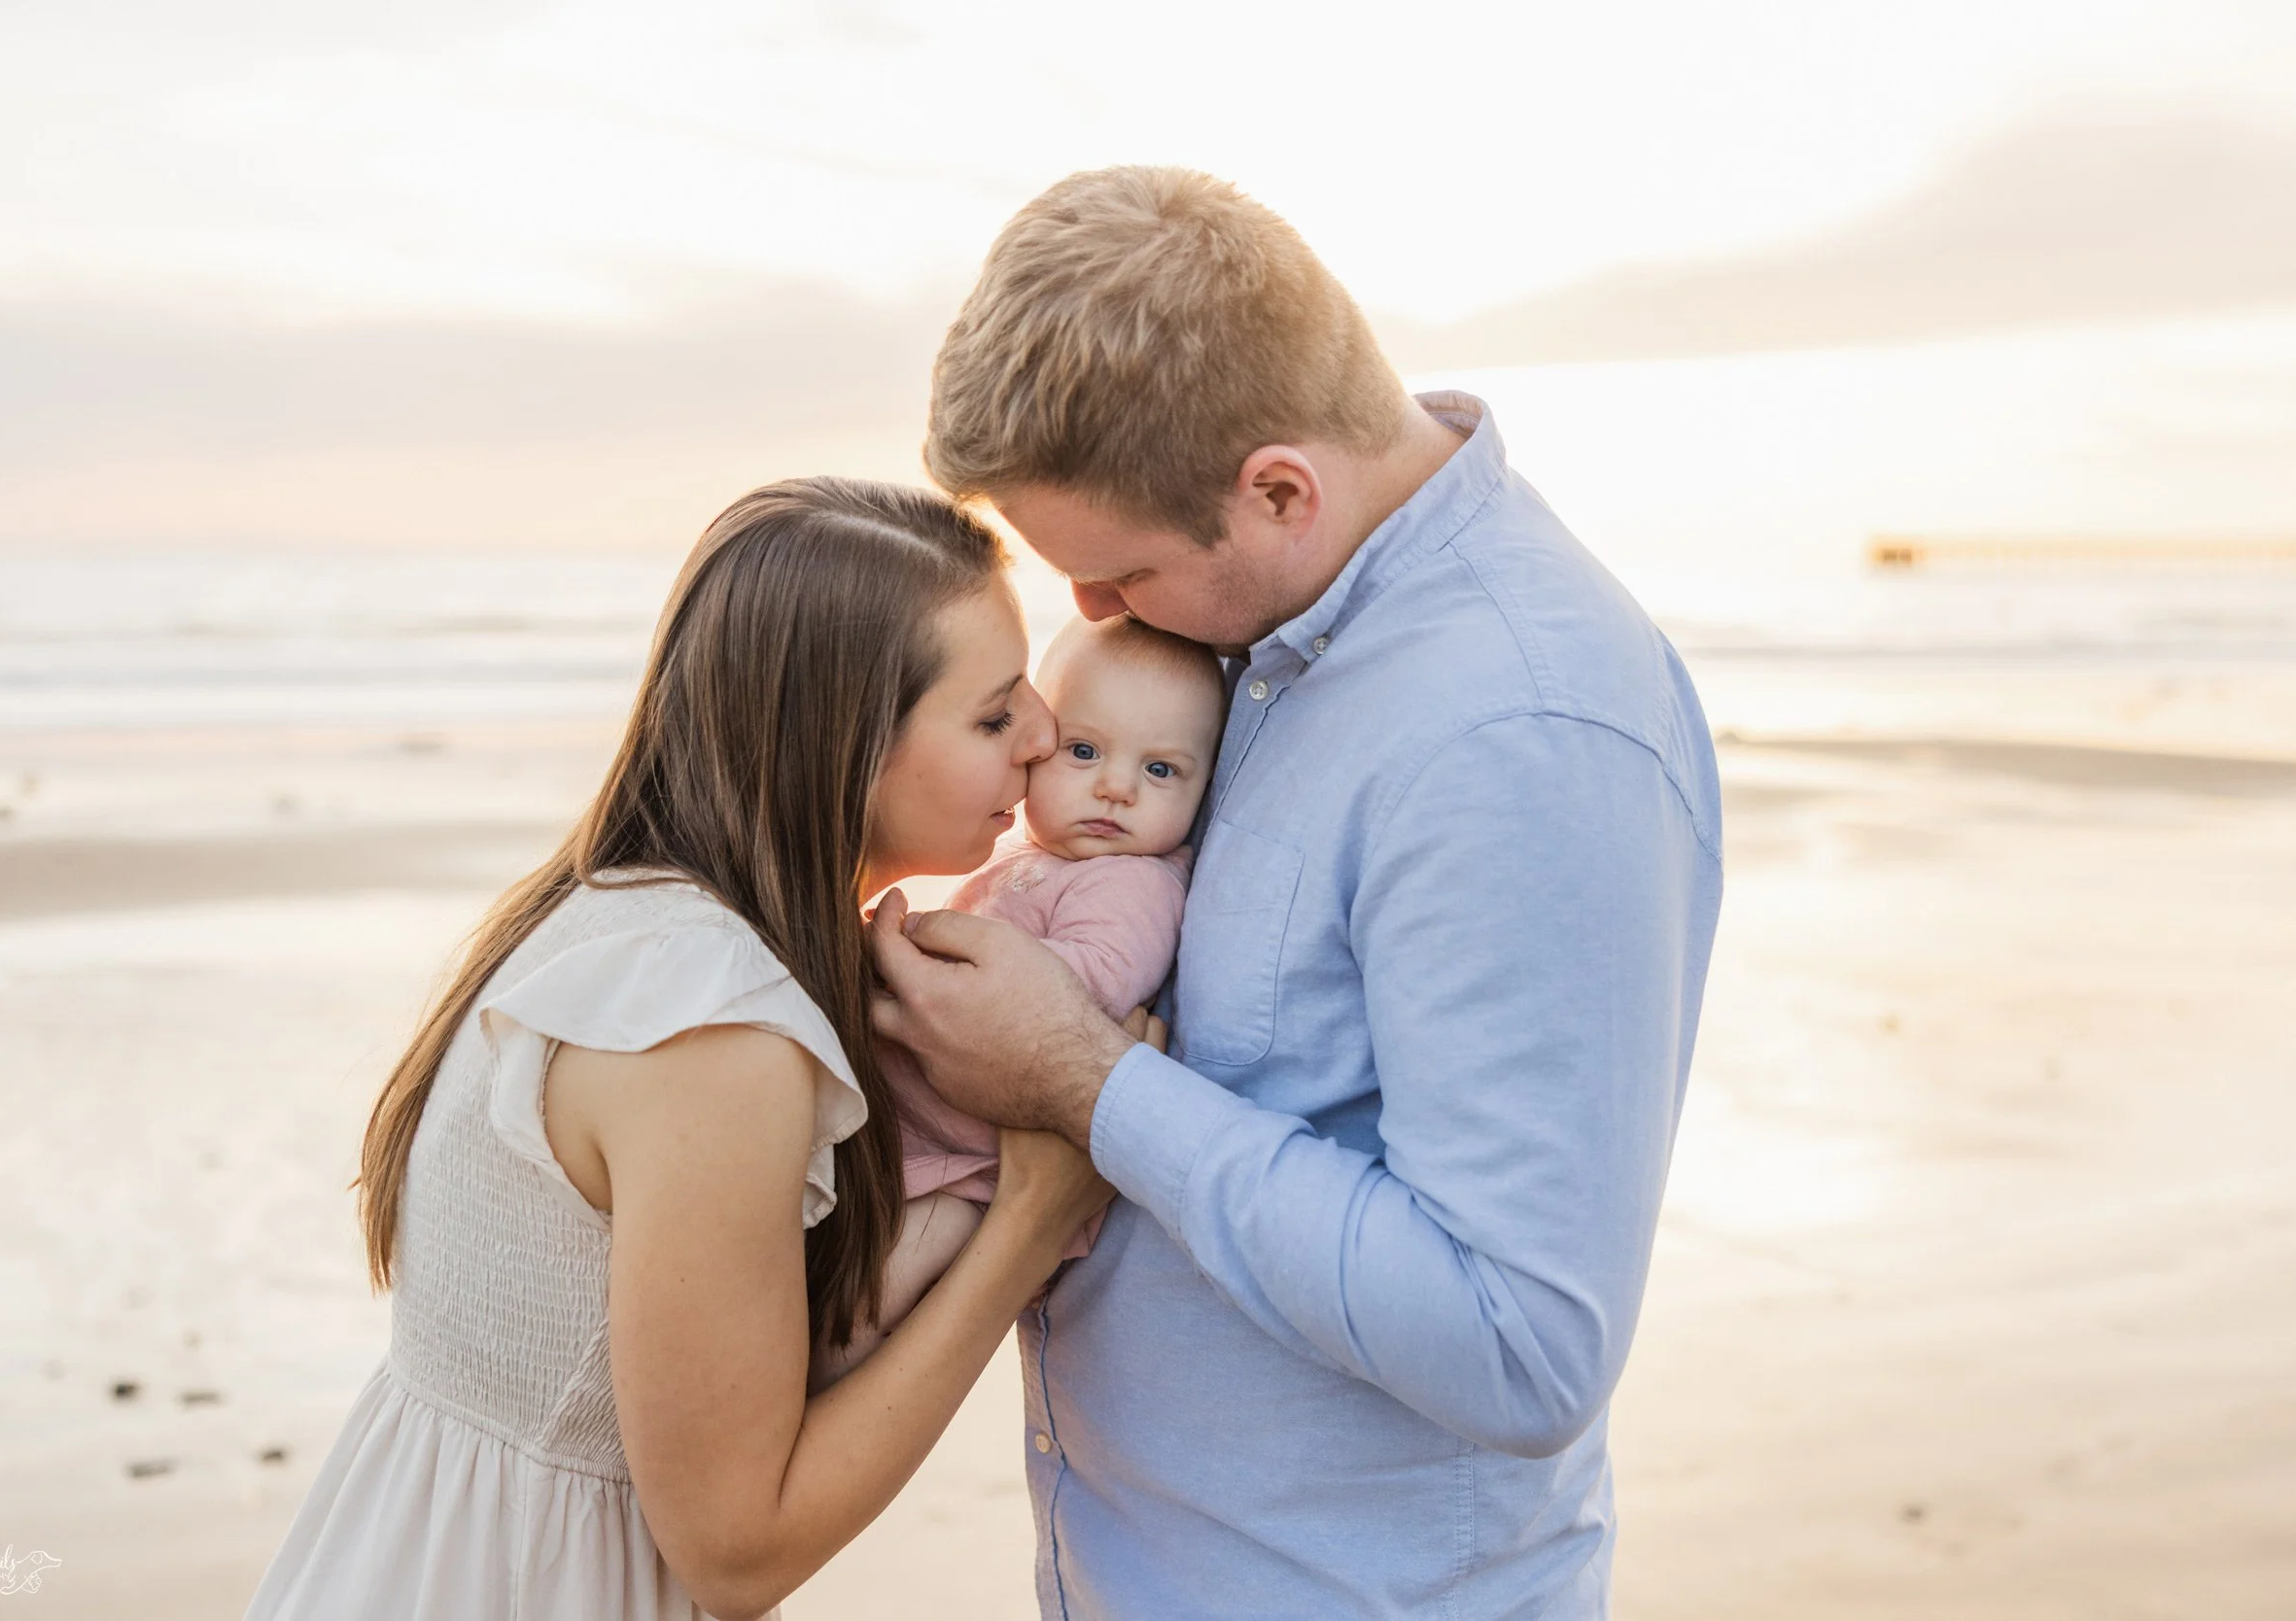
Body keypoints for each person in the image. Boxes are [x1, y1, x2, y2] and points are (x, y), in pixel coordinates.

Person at [872, 167, 1726, 1617]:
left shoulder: (1518, 727)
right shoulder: (1269, 633)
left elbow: (1522, 1344)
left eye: (1119, 570)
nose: (1092, 615)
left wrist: (1085, 1084)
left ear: (1279, 490)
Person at [244, 478, 1112, 1621]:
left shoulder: (621, 914)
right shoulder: (707, 1027)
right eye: (994, 717)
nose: (1044, 736)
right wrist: (1030, 1224)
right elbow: (735, 1551)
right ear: (841, 748)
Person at [817, 613, 1224, 1387]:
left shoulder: (1137, 883)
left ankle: (822, 1382)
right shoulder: (1026, 855)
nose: (1116, 788)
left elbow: (1091, 982)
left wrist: (915, 956)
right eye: (1084, 751)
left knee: (881, 1288)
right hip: (919, 1120)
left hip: (978, 1169)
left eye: (1161, 770)